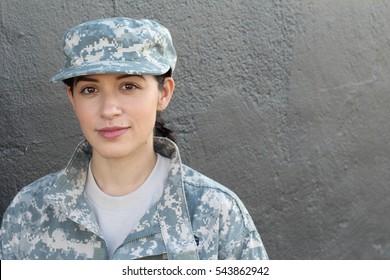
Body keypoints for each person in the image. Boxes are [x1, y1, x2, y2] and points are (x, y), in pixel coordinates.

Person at [0, 17, 268, 260]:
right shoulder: (29, 212)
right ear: (72, 99)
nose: (108, 109)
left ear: (164, 93)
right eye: (90, 89)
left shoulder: (214, 213)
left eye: (129, 86)